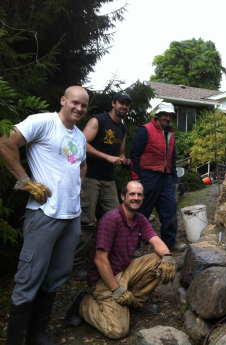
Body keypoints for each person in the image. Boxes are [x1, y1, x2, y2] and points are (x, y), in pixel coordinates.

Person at [0, 86, 88, 344]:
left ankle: (36, 334)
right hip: (44, 214)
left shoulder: (80, 137)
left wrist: (78, 189)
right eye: (74, 103)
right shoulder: (43, 122)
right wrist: (26, 182)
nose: (79, 109)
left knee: (57, 275)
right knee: (29, 277)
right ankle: (15, 340)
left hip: (71, 216)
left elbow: (82, 164)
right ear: (63, 100)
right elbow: (5, 141)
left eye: (83, 105)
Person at [65, 180, 176, 339]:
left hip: (125, 269)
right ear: (123, 196)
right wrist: (116, 289)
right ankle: (83, 302)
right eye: (132, 194)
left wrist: (168, 257)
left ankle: (134, 303)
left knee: (161, 259)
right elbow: (100, 260)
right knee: (118, 331)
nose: (136, 198)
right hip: (103, 279)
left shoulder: (140, 219)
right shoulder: (111, 219)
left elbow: (157, 242)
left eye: (139, 195)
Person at [72, 91, 131, 281]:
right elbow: (81, 143)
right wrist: (107, 157)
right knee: (87, 223)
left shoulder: (122, 129)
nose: (124, 107)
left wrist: (123, 161)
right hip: (89, 176)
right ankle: (75, 265)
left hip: (108, 179)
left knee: (117, 219)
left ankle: (113, 260)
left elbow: (120, 152)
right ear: (113, 103)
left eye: (127, 104)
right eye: (121, 103)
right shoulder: (98, 120)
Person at [130, 102, 187, 252]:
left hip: (165, 178)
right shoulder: (145, 131)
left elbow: (172, 160)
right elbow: (134, 156)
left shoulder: (170, 135)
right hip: (147, 176)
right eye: (165, 114)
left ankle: (169, 242)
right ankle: (133, 247)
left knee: (170, 209)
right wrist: (135, 179)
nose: (167, 118)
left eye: (170, 116)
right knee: (142, 211)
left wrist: (174, 179)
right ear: (158, 115)